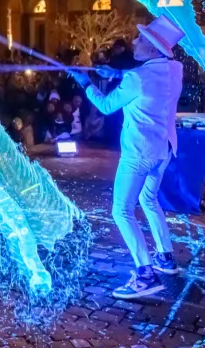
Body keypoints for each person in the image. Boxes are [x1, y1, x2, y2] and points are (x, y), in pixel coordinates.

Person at [70, 15, 183, 299]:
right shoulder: (175, 70)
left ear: (155, 48)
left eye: (141, 39)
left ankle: (146, 274)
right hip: (164, 149)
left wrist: (85, 83)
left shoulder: (137, 77)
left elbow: (106, 105)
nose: (135, 41)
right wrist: (117, 74)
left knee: (121, 210)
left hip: (139, 152)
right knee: (148, 199)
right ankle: (166, 258)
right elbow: (148, 82)